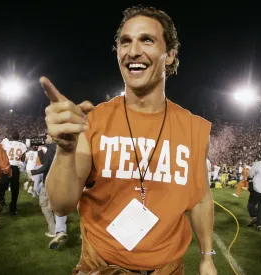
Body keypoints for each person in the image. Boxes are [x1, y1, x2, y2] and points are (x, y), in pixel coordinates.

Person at [41, 5, 217, 275]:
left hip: (168, 270)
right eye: (125, 42)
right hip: (100, 267)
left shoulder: (194, 128)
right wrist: (65, 150)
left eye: (147, 39)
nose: (133, 51)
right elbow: (61, 205)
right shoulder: (94, 120)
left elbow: (201, 198)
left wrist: (207, 257)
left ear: (170, 54)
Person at [30, 134, 68, 249]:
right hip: (63, 181)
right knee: (59, 205)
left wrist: (34, 172)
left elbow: (46, 165)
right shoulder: (64, 147)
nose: (45, 138)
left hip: (50, 181)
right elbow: (45, 161)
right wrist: (40, 151)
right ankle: (60, 230)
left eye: (47, 136)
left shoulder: (52, 147)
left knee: (44, 203)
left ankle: (54, 230)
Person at [0, 130, 27, 215]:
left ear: (11, 137)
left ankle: (1, 201)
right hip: (15, 168)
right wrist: (20, 162)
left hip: (7, 166)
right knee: (15, 189)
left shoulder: (7, 144)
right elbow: (23, 157)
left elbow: (3, 153)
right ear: (18, 138)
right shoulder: (23, 145)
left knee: (2, 186)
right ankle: (13, 208)